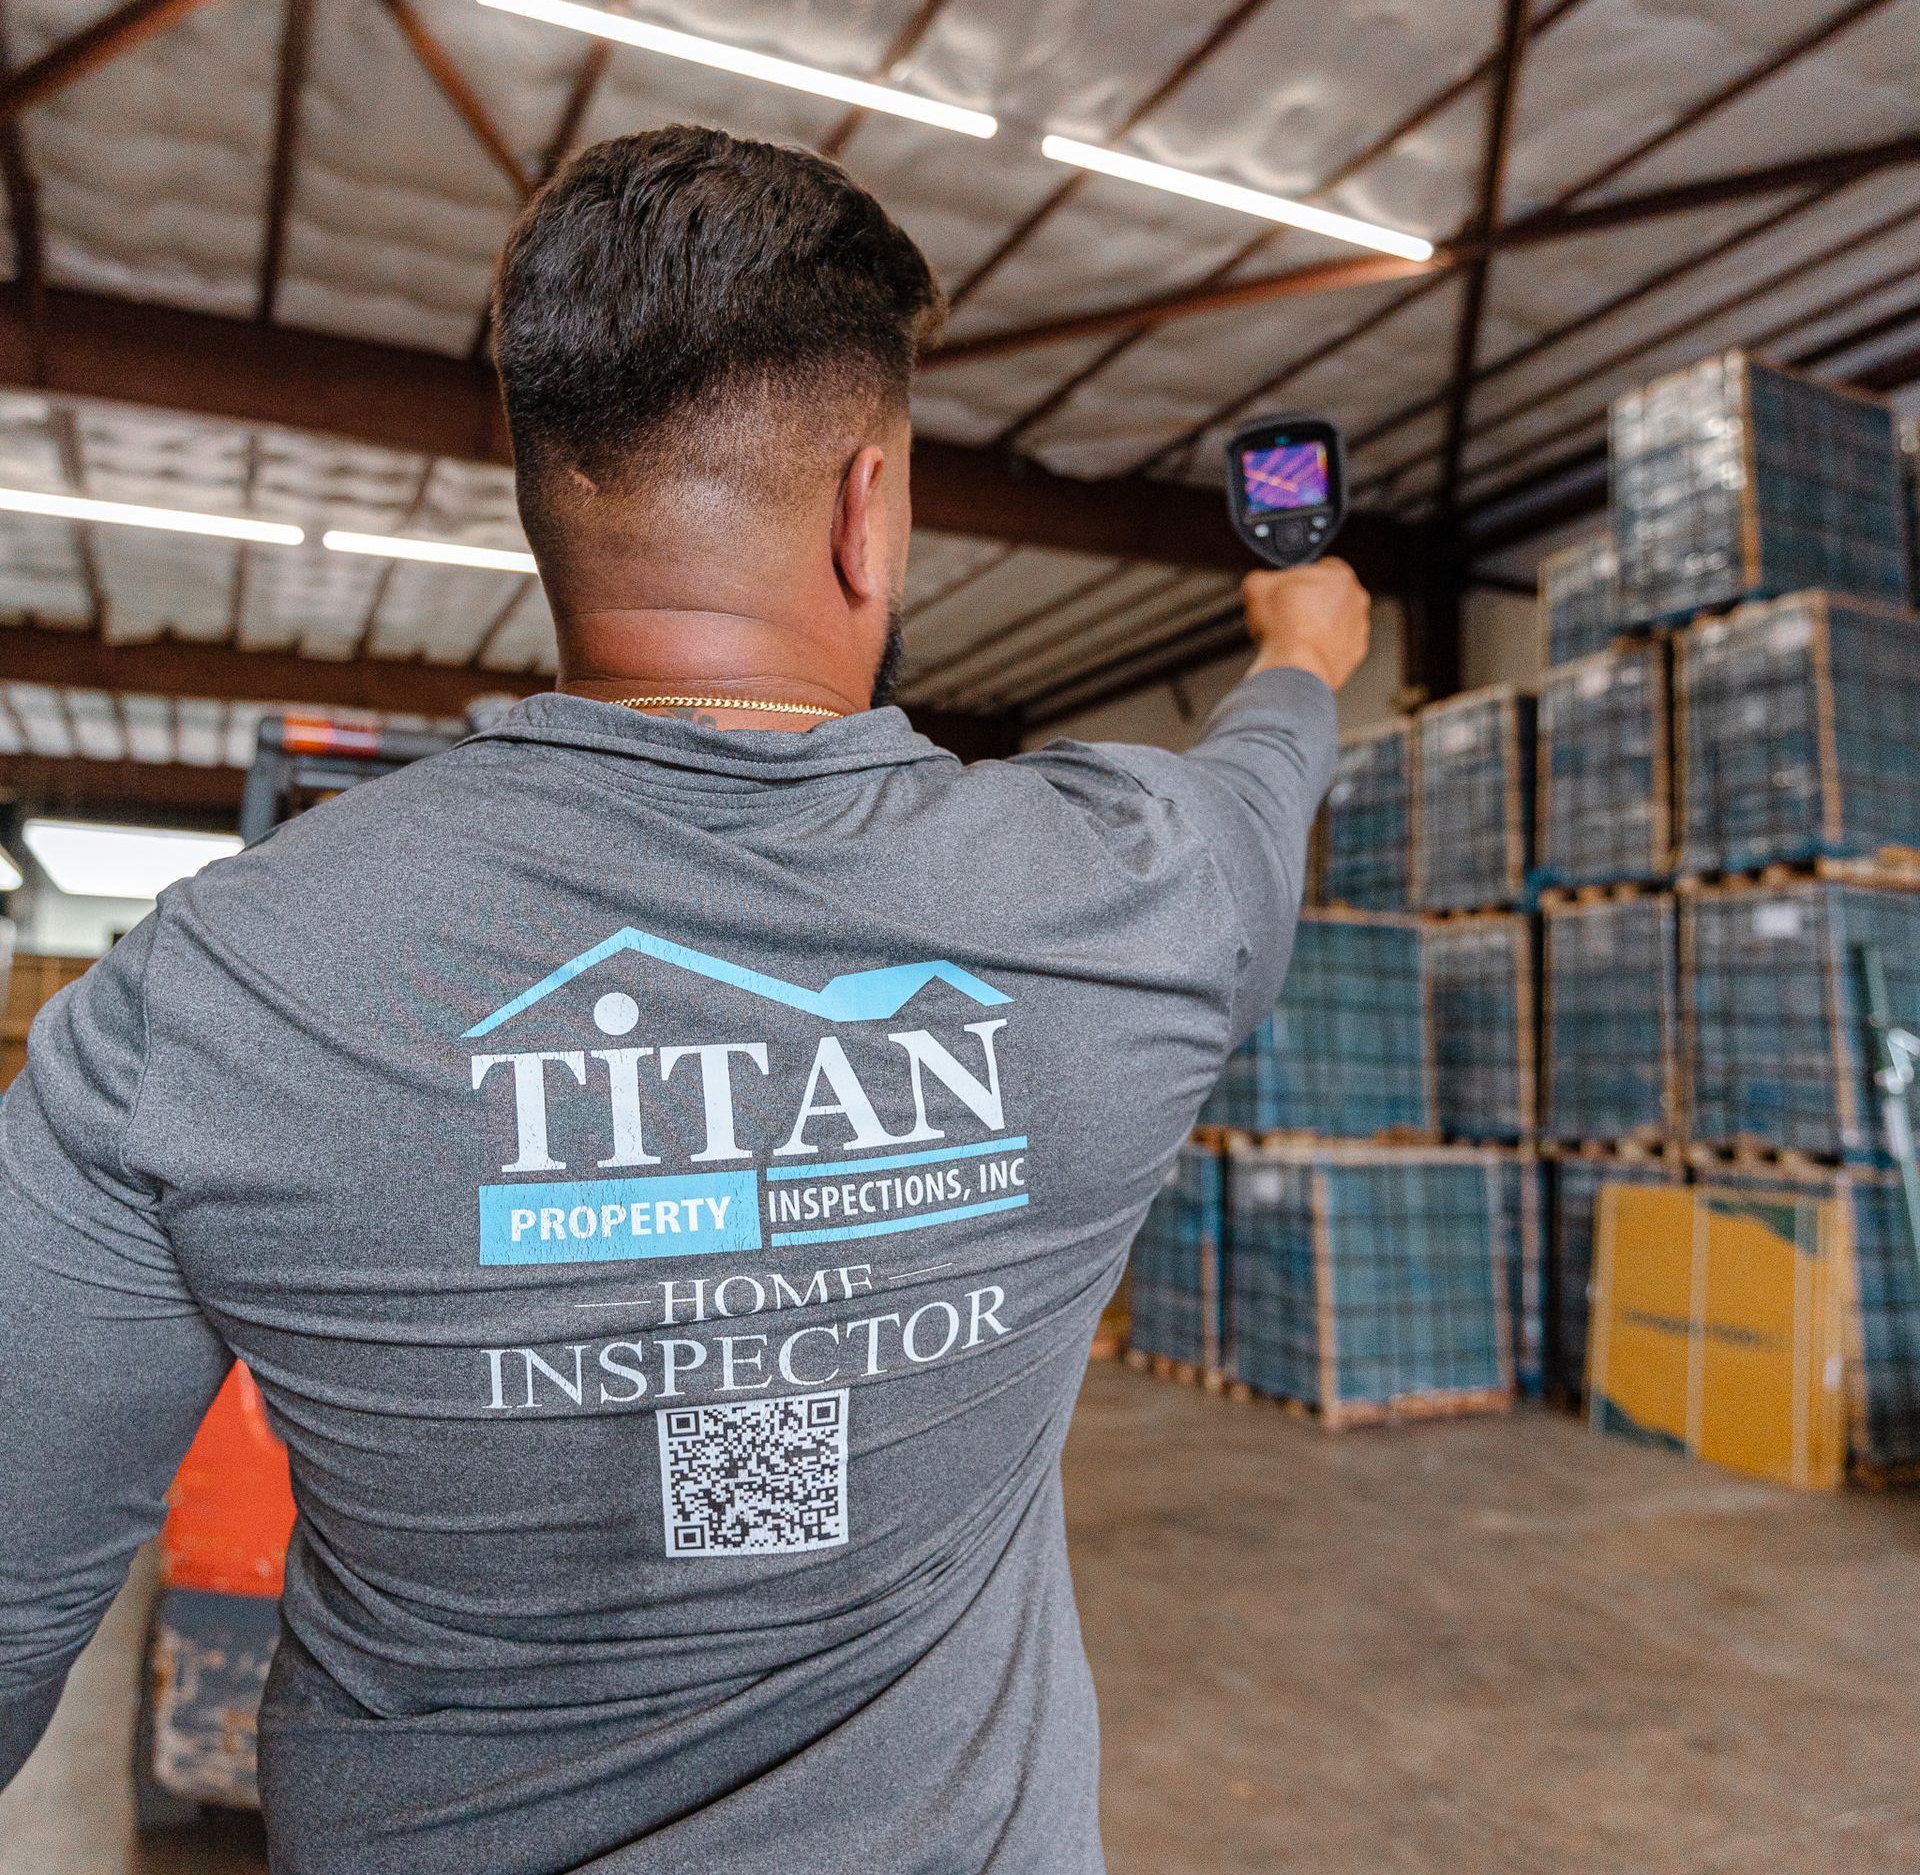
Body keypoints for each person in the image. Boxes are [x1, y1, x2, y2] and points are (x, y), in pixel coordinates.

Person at [0, 124, 1368, 1873]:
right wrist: (1301, 645)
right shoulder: (1134, 893)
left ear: (543, 498)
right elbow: (1261, 782)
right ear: (866, 512)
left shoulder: (206, 999)